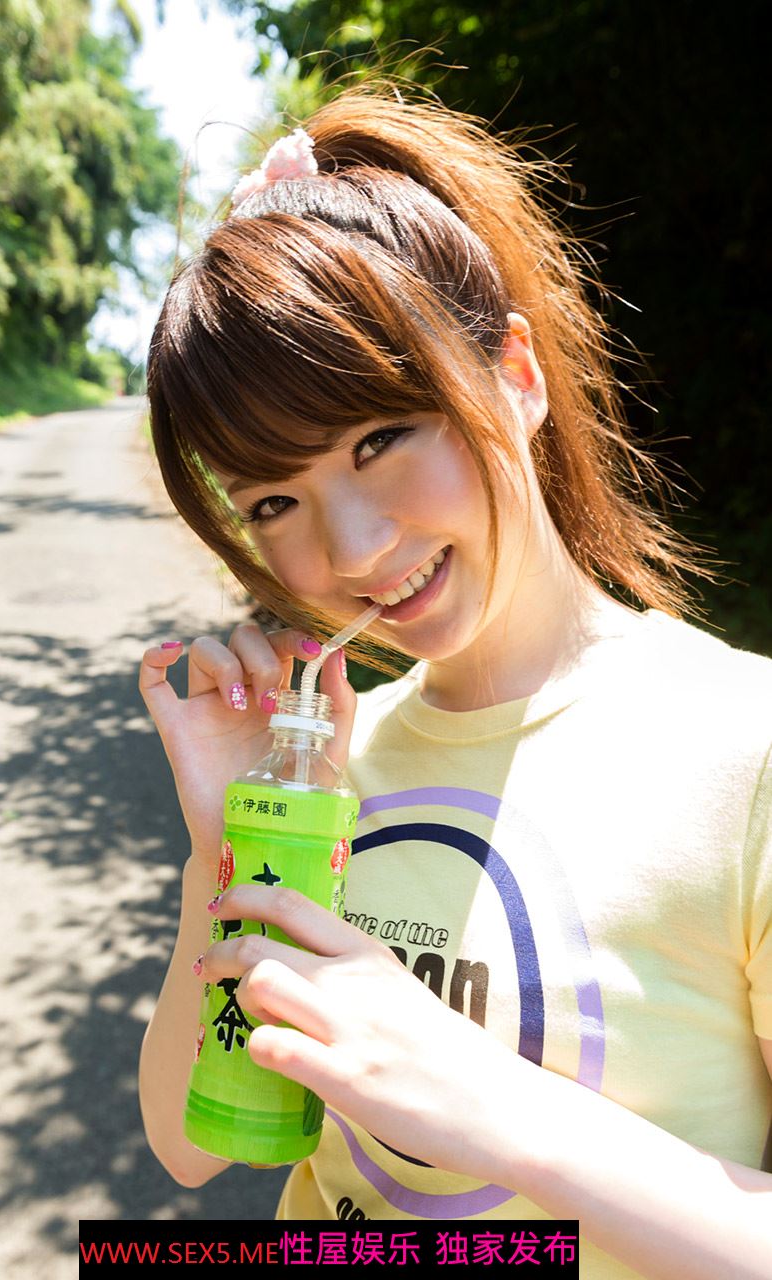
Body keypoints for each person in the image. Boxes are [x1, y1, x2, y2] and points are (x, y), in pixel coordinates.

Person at [136, 83, 772, 1278]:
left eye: (381, 438)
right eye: (273, 501)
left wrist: (489, 1105)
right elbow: (187, 1141)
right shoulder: (335, 767)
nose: (352, 547)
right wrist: (224, 851)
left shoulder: (744, 749)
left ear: (517, 374)